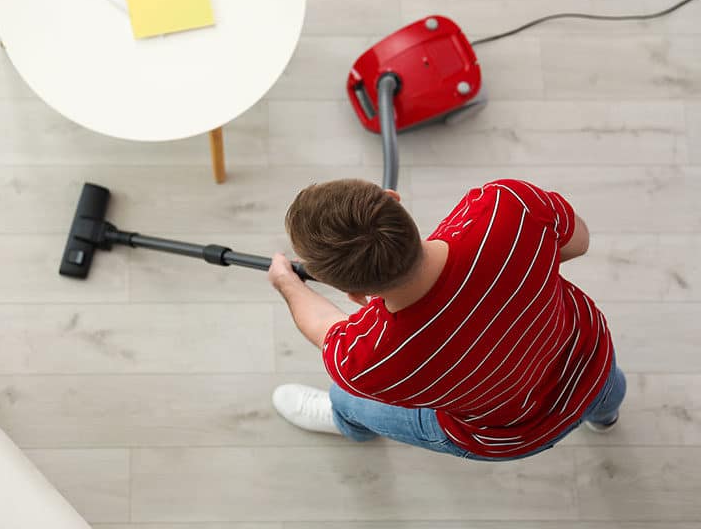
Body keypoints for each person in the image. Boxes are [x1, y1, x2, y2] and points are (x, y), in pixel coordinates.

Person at [267, 178, 626, 460]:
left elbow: (324, 329)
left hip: (509, 435)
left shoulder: (364, 360)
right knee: (605, 392)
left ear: (354, 295)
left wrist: (287, 282)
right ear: (393, 198)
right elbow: (578, 243)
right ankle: (605, 418)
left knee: (345, 396)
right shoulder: (508, 208)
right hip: (590, 363)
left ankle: (349, 424)